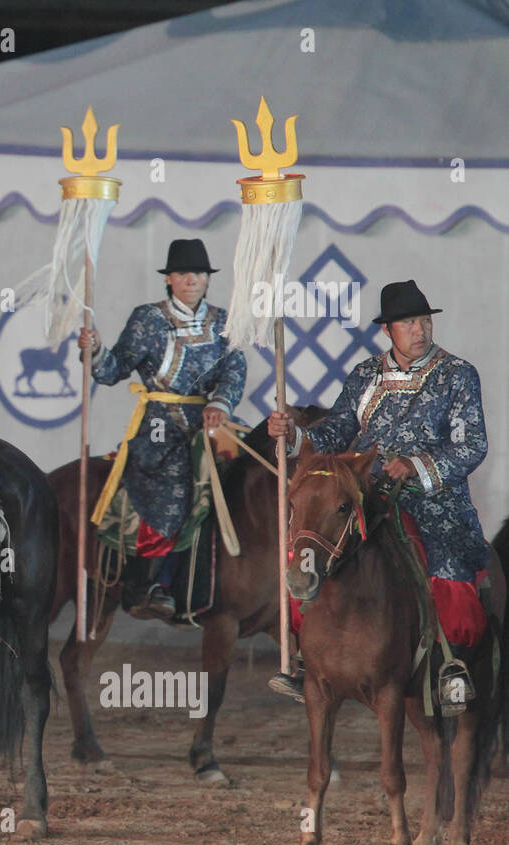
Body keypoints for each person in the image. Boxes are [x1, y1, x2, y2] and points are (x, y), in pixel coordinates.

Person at [267, 279, 488, 702]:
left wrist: (416, 465)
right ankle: (306, 659)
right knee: (312, 550)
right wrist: (293, 434)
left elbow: (472, 445)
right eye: (409, 323)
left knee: (450, 559)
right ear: (388, 330)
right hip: (369, 496)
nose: (420, 330)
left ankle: (450, 664)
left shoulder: (458, 375)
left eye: (424, 321)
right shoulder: (366, 374)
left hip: (434, 499)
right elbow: (337, 431)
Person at [78, 238, 246, 618]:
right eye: (183, 273)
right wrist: (95, 349)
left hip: (209, 419)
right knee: (171, 483)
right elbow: (111, 371)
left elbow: (234, 370)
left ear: (208, 279)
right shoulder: (147, 319)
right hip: (160, 423)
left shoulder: (223, 321)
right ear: (169, 279)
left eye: (199, 273)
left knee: (254, 467)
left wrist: (220, 403)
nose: (192, 280)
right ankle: (146, 584)